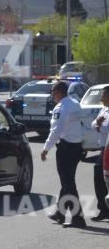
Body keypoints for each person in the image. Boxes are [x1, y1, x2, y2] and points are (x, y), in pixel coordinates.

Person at [41, 81, 86, 228]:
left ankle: (78, 218)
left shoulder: (61, 107)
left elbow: (56, 130)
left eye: (53, 91)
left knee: (68, 184)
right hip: (76, 147)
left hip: (66, 148)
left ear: (59, 92)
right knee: (66, 181)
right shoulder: (75, 103)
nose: (52, 94)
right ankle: (60, 213)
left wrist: (46, 148)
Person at [90, 86, 109, 221]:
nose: (101, 97)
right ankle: (103, 208)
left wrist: (98, 125)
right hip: (103, 148)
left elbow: (106, 129)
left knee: (102, 175)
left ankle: (104, 208)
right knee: (99, 175)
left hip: (107, 148)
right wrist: (97, 123)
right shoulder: (104, 110)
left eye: (104, 94)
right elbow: (93, 124)